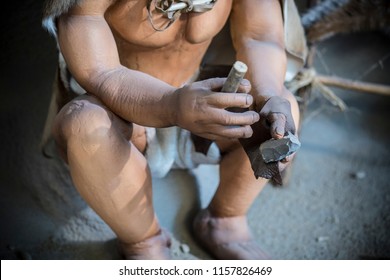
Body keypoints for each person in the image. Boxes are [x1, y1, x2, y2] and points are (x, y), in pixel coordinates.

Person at [41, 0, 306, 259]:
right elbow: (100, 70)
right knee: (83, 124)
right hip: (126, 114)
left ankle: (226, 218)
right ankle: (144, 240)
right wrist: (171, 105)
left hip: (199, 108)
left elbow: (260, 36)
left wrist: (269, 95)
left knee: (283, 108)